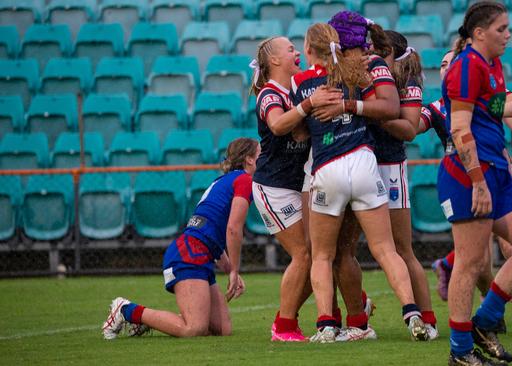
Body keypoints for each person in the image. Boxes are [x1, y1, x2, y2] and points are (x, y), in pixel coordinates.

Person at [293, 22, 427, 343]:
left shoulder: (302, 81)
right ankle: (412, 313)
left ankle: (326, 325)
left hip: (328, 169)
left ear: (311, 50)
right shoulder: (358, 73)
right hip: (365, 163)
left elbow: (298, 132)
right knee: (386, 249)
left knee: (324, 255)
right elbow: (385, 107)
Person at [440, 2, 512, 364]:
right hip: (471, 176)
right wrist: (478, 183)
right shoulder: (466, 66)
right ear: (479, 33)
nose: (509, 34)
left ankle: (483, 323)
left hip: (495, 172)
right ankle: (460, 351)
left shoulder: (491, 64)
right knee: (470, 263)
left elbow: (501, 107)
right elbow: (458, 128)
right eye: (501, 28)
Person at [102, 138, 260, 339]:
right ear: (249, 160)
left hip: (196, 251)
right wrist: (235, 270)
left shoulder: (225, 180)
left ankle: (152, 320)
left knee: (222, 330)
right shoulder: (245, 180)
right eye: (260, 154)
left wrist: (229, 269)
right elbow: (233, 229)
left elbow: (210, 231)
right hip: (190, 253)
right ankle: (126, 310)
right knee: (194, 329)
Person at [249, 36, 341, 342]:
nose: (296, 52)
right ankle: (284, 326)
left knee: (315, 254)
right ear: (274, 60)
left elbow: (301, 132)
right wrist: (309, 105)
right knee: (303, 254)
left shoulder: (294, 90)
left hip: (293, 183)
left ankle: (293, 316)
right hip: (272, 186)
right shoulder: (269, 94)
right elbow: (277, 125)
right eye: (290, 49)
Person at [371, 29, 439, 340]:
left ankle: (428, 318)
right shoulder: (366, 73)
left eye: (375, 49)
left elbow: (410, 129)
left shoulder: (406, 83)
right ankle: (354, 320)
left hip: (389, 165)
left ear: (390, 53)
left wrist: (375, 115)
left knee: (402, 248)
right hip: (360, 164)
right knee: (341, 249)